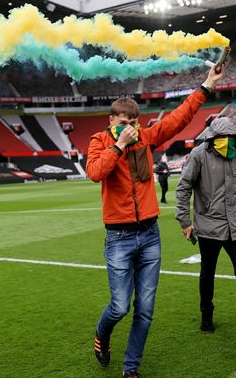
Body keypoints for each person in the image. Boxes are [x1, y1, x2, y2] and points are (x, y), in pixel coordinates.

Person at [86, 65, 226, 378]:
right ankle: (102, 336)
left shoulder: (147, 138)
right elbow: (95, 172)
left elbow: (180, 117)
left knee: (145, 311)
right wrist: (119, 145)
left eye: (134, 123)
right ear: (112, 121)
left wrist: (206, 85)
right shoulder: (99, 142)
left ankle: (130, 368)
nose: (131, 129)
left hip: (149, 235)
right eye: (124, 124)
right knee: (120, 306)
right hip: (119, 237)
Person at [175, 116, 236, 352]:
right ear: (212, 139)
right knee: (207, 272)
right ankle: (206, 314)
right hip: (209, 226)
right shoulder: (199, 154)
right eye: (222, 139)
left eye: (230, 139)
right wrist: (185, 222)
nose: (226, 143)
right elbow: (183, 188)